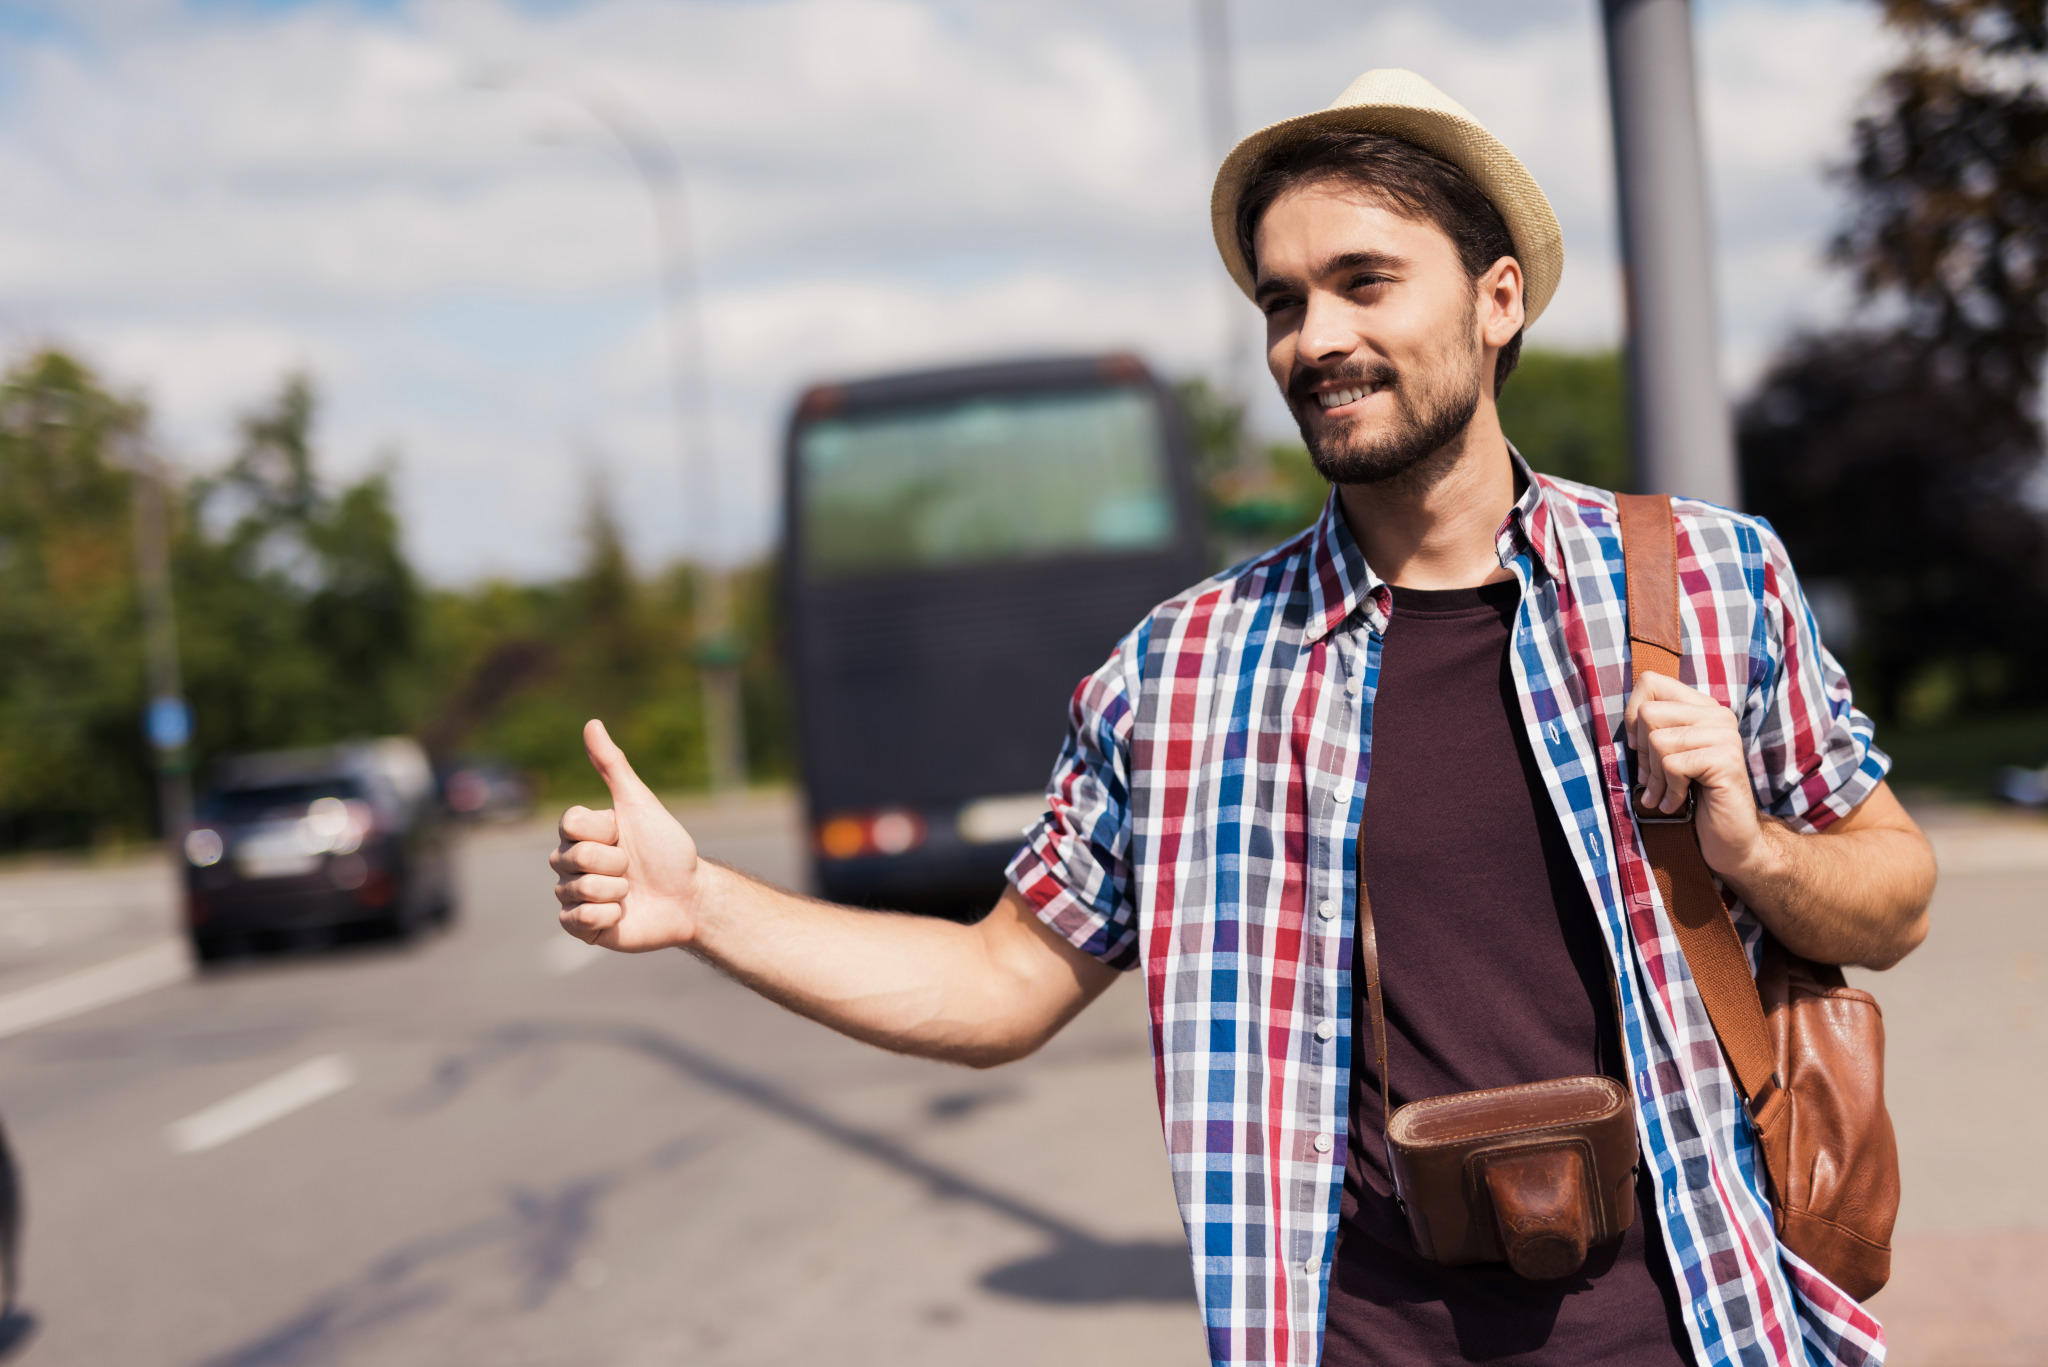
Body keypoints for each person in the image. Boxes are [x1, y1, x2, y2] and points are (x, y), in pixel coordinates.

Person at [549, 69, 1934, 1367]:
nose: (1316, 338)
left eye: (1364, 282)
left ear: (1497, 298)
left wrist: (1755, 851)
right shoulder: (1183, 675)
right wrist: (704, 908)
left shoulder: (1706, 577)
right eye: (1283, 301)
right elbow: (998, 987)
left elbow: (1897, 902)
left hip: (1696, 1324)